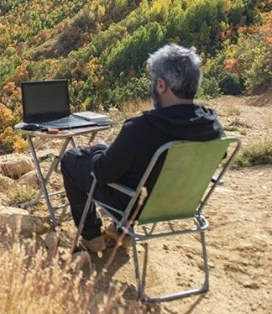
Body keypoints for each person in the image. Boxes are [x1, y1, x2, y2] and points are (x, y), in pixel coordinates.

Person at [60, 43, 224, 252]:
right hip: (180, 202)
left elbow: (103, 172)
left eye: (154, 81)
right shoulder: (212, 126)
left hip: (135, 204)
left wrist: (100, 149)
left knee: (71, 158)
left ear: (162, 85)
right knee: (133, 166)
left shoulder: (141, 128)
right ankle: (122, 231)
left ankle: (92, 236)